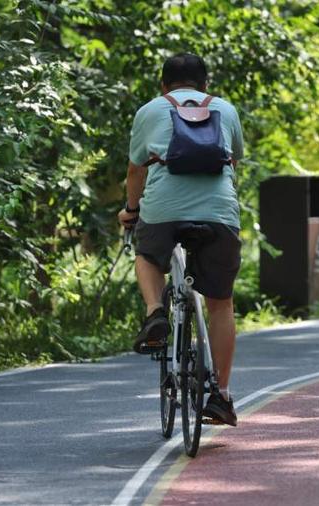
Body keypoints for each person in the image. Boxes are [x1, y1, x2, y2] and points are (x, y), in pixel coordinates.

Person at [117, 53, 244, 426]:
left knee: (148, 253)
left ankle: (155, 312)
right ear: (206, 84)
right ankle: (219, 396)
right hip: (218, 211)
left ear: (163, 85)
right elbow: (232, 162)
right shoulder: (225, 109)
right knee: (221, 303)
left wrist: (131, 209)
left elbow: (135, 168)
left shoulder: (150, 110)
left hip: (162, 210)